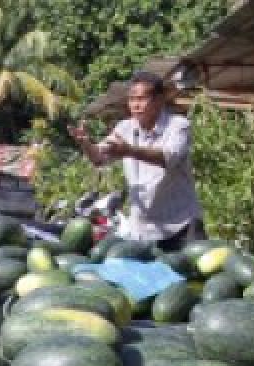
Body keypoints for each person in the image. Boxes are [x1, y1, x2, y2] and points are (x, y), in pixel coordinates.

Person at [70, 71, 205, 249]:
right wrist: (86, 143)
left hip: (182, 227)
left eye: (141, 99)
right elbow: (99, 158)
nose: (135, 105)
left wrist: (129, 150)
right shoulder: (124, 128)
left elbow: (168, 157)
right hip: (144, 230)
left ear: (159, 100)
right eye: (132, 99)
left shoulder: (178, 126)